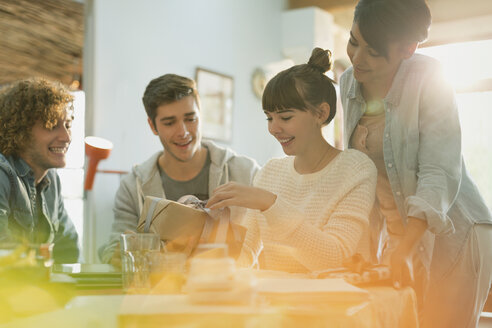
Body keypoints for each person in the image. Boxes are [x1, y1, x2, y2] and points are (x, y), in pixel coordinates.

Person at [339, 0, 492, 327]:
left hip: (455, 235)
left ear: (408, 48)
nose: (357, 58)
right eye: (353, 41)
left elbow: (438, 172)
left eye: (374, 51)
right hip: (400, 241)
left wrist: (406, 248)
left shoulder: (431, 79)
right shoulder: (348, 83)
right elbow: (360, 173)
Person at [206, 48, 377, 273]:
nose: (274, 129)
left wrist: (270, 203)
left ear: (321, 114)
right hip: (277, 303)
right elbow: (246, 253)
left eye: (285, 117)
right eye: (269, 118)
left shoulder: (355, 169)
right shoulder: (271, 172)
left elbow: (335, 259)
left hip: (336, 304)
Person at [100, 74, 260, 264]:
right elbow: (113, 250)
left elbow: (273, 237)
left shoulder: (246, 172)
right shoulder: (132, 187)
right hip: (161, 291)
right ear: (153, 126)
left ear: (201, 115)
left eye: (190, 119)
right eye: (169, 123)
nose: (183, 132)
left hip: (231, 289)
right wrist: (123, 251)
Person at [0, 78, 80, 263]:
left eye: (67, 125)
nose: (66, 137)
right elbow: (4, 259)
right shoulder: (2, 174)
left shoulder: (51, 179)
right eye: (52, 125)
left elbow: (68, 249)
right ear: (20, 131)